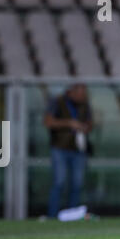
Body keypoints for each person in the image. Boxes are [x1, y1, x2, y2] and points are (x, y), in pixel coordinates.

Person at [43, 84, 93, 218]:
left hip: (78, 149)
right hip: (60, 148)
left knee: (77, 183)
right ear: (71, 92)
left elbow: (90, 124)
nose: (83, 96)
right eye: (80, 93)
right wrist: (69, 123)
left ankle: (72, 215)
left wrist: (83, 127)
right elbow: (48, 122)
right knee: (59, 182)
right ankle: (53, 216)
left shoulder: (85, 104)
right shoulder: (57, 102)